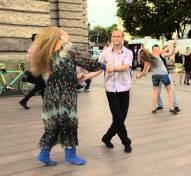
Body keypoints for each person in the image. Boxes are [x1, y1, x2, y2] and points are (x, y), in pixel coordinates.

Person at [30, 27, 105, 166]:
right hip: (65, 95)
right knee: (69, 122)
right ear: (59, 35)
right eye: (62, 30)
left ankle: (44, 154)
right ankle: (71, 155)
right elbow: (86, 62)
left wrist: (75, 77)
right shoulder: (66, 47)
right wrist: (103, 66)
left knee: (53, 124)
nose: (66, 31)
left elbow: (58, 73)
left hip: (50, 94)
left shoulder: (46, 51)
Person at [82, 30, 133, 153]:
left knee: (120, 118)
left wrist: (111, 68)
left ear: (122, 38)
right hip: (110, 88)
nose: (116, 38)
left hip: (124, 88)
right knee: (118, 116)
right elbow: (98, 69)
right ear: (111, 38)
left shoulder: (128, 53)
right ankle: (126, 141)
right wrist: (86, 76)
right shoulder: (105, 53)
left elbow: (126, 67)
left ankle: (106, 137)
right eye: (114, 36)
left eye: (118, 36)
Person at [136, 41, 178, 115]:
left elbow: (143, 72)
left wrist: (137, 77)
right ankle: (171, 107)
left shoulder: (147, 60)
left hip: (155, 76)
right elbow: (167, 48)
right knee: (170, 91)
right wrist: (172, 43)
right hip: (163, 74)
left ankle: (153, 108)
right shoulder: (156, 54)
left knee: (155, 92)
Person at [19, 34, 46, 109]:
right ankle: (24, 101)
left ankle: (46, 103)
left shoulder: (31, 48)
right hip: (37, 70)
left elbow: (28, 60)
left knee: (42, 86)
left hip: (33, 69)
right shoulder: (37, 48)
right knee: (39, 87)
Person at [156, 46, 181, 113]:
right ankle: (160, 105)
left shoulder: (162, 54)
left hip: (166, 75)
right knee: (157, 92)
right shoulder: (153, 56)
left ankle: (175, 106)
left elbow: (171, 53)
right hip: (157, 76)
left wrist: (174, 47)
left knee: (172, 90)